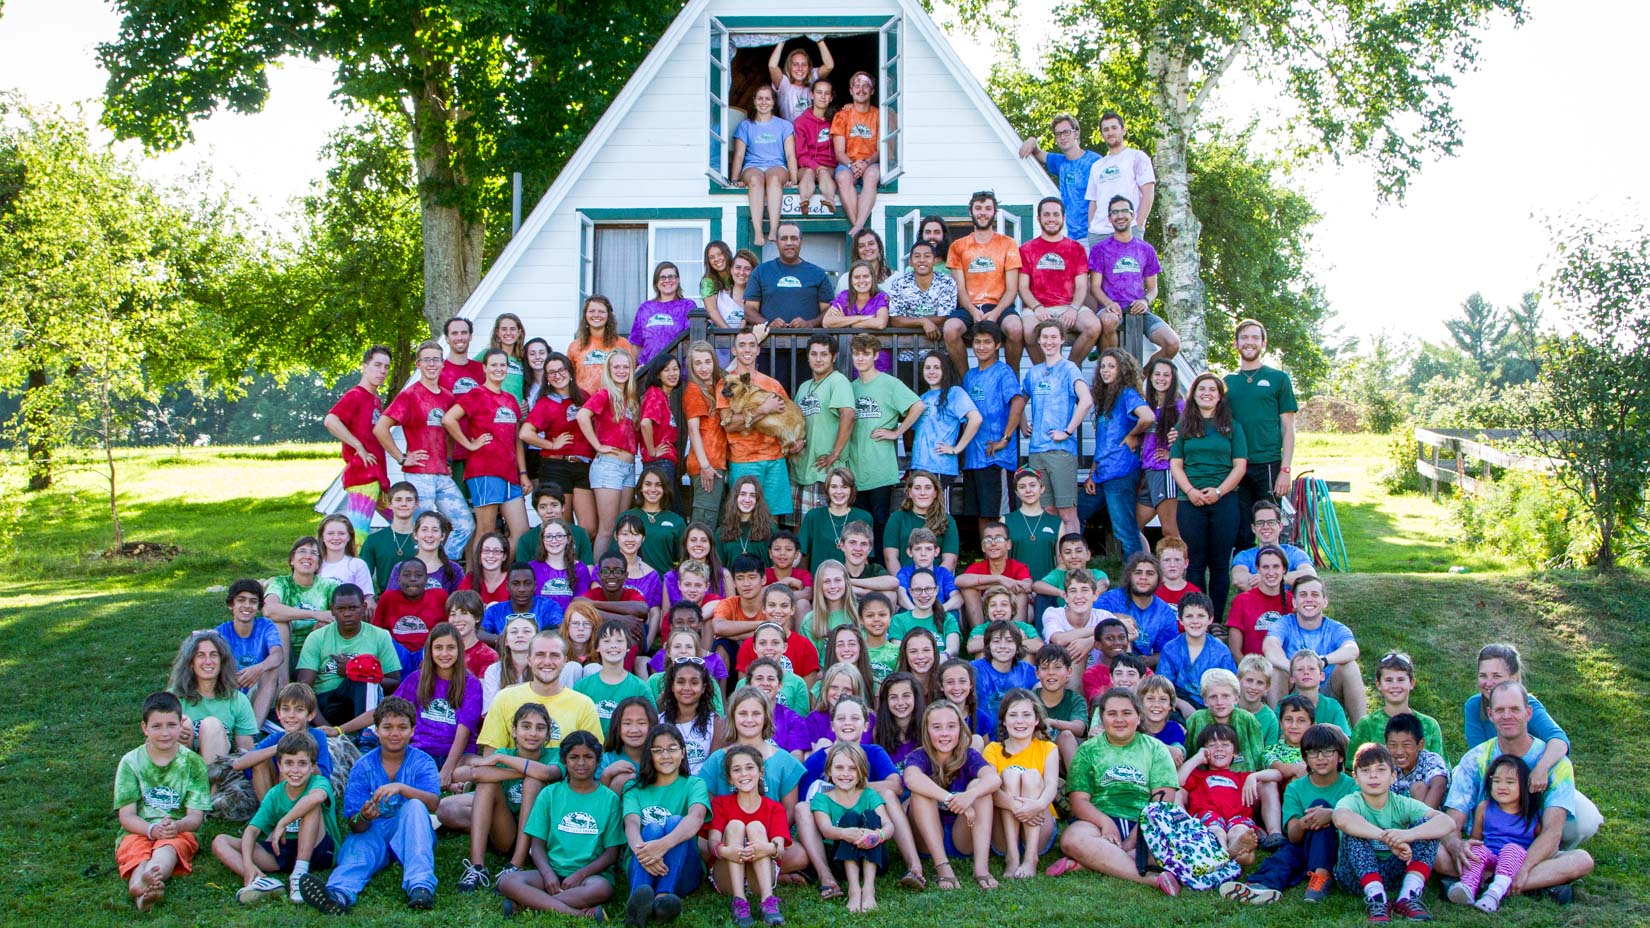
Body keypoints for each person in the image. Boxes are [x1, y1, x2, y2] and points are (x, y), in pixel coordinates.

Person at [1438, 681, 1598, 894]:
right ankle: (1527, 884)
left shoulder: (1556, 764)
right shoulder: (1474, 759)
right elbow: (1451, 823)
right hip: (1483, 851)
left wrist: (1521, 869)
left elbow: (1552, 833)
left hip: (1528, 852)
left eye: (1515, 709)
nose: (1507, 716)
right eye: (1500, 710)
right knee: (1433, 852)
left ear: (1528, 713)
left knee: (1582, 860)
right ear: (1490, 714)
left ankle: (1485, 882)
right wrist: (1457, 848)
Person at [298, 697, 440, 914]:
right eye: (387, 727)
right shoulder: (363, 767)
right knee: (359, 848)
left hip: (411, 831)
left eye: (402, 727)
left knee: (414, 806)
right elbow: (354, 824)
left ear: (412, 731)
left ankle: (420, 885)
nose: (394, 733)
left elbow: (433, 803)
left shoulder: (423, 762)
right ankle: (337, 894)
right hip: (375, 830)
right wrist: (364, 816)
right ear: (376, 730)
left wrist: (402, 788)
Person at [1050, 687, 1180, 892]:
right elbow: (1078, 801)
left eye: (1127, 713)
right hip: (1098, 819)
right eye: (1112, 714)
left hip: (1145, 820)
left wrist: (1132, 839)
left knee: (1170, 851)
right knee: (1072, 840)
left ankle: (1091, 862)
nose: (1119, 719)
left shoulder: (1156, 749)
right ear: (1102, 719)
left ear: (1139, 717)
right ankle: (1150, 880)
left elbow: (1162, 801)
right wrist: (1106, 823)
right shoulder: (1088, 750)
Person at [1217, 723, 1355, 905]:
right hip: (1304, 845)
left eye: (1328, 751)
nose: (1320, 758)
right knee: (1286, 855)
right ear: (1305, 758)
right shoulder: (1295, 788)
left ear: (1340, 757)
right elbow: (1293, 836)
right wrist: (1306, 823)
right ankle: (1261, 886)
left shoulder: (1352, 787)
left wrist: (1332, 815)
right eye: (1313, 753)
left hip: (1339, 850)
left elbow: (1356, 825)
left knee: (1320, 805)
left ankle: (1322, 875)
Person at [497, 731, 625, 919]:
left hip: (589, 876)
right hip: (552, 870)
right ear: (564, 760)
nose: (581, 763)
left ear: (598, 761)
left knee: (602, 890)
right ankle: (578, 913)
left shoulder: (610, 799)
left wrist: (580, 875)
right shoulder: (549, 794)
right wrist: (548, 874)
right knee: (507, 881)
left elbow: (611, 854)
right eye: (574, 757)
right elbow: (537, 845)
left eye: (588, 757)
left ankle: (528, 904)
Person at [213, 730, 342, 906]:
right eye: (289, 763)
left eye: (302, 764)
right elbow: (252, 830)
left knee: (310, 806)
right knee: (220, 841)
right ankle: (259, 880)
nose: (295, 770)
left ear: (313, 767)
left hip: (318, 849)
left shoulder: (318, 783)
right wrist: (248, 862)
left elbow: (317, 798)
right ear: (280, 766)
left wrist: (283, 821)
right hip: (282, 850)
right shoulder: (274, 794)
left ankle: (300, 873)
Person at [1332, 743, 1456, 922]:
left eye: (1381, 770)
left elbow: (1447, 822)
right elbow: (1341, 818)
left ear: (1393, 777)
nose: (1373, 776)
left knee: (1427, 827)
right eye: (1366, 771)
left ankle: (1408, 895)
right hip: (1354, 877)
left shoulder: (1401, 802)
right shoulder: (1351, 801)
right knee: (1354, 830)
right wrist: (1388, 838)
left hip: (1394, 874)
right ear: (1355, 778)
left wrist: (1408, 835)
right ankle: (1376, 899)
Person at [1461, 643, 1595, 808]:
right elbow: (1479, 752)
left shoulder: (1529, 705)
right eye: (1483, 675)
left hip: (1535, 780)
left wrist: (1541, 768)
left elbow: (1559, 740)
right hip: (1497, 780)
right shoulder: (1474, 706)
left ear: (1514, 678)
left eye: (1496, 676)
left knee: (1587, 821)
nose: (1489, 682)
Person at [377, 338, 475, 560]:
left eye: (436, 360)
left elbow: (450, 432)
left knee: (465, 525)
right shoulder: (410, 395)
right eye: (426, 360)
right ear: (418, 364)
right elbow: (381, 428)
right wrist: (402, 458)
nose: (432, 364)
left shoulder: (448, 397)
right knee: (422, 531)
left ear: (443, 364)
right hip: (419, 475)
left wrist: (448, 460)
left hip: (442, 475)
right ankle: (417, 571)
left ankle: (442, 566)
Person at [114, 692, 211, 912]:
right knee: (136, 851)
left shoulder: (193, 763)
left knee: (169, 847)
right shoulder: (130, 762)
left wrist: (176, 826)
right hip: (139, 828)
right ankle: (140, 884)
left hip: (178, 829)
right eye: (157, 726)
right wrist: (150, 829)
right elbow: (127, 816)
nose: (165, 733)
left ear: (181, 726)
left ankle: (146, 883)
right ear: (144, 728)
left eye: (171, 725)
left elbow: (196, 817)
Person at [903, 699, 1002, 890]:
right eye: (937, 727)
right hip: (929, 839)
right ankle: (943, 868)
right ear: (927, 731)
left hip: (962, 834)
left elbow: (994, 779)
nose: (945, 734)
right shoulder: (920, 756)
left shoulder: (969, 755)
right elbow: (911, 779)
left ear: (960, 729)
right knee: (921, 791)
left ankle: (981, 868)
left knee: (980, 787)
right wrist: (950, 799)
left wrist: (970, 795)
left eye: (951, 726)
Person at [1170, 372, 1247, 618]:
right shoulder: (1183, 426)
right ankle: (1197, 616)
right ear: (1194, 394)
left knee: (1219, 564)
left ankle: (1215, 619)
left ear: (1219, 396)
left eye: (1212, 389)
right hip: (1189, 502)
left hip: (1224, 501)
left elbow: (1240, 465)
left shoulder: (1233, 427)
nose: (1207, 393)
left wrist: (1219, 491)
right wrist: (1191, 491)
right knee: (1195, 564)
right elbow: (1175, 465)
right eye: (1202, 389)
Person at [621, 725, 711, 928]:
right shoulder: (634, 787)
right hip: (641, 864)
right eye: (657, 750)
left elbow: (696, 818)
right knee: (651, 829)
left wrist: (662, 846)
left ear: (683, 752)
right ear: (649, 755)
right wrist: (644, 854)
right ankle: (639, 900)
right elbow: (632, 824)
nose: (665, 755)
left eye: (672, 748)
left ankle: (663, 897)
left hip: (683, 871)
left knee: (676, 822)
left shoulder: (694, 784)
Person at [444, 347, 531, 549]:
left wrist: (523, 473)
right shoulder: (476, 394)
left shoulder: (510, 399)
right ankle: (475, 579)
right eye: (494, 365)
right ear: (484, 368)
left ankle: (499, 576)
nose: (499, 369)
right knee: (486, 531)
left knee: (521, 533)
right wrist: (469, 444)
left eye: (503, 365)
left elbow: (516, 438)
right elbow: (449, 419)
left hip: (510, 473)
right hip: (484, 471)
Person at [1224, 319, 1299, 551]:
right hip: (1236, 465)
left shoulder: (1279, 379)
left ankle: (1274, 576)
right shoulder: (1227, 383)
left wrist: (1285, 470)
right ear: (1236, 344)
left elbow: (1288, 428)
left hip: (1268, 464)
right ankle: (1244, 580)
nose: (1250, 342)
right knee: (1241, 531)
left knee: (1270, 527)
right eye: (1245, 337)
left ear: (1263, 343)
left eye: (1255, 337)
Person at [1261, 576, 1368, 724]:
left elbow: (1352, 650)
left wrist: (1323, 661)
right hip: (1294, 688)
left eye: (1315, 595)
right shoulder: (1284, 623)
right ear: (1294, 602)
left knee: (1350, 666)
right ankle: (1280, 732)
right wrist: (1294, 669)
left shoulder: (1335, 628)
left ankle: (1361, 733)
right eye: (1303, 595)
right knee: (1276, 670)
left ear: (1325, 601)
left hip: (1326, 689)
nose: (1309, 599)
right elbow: (1270, 647)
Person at [478, 629, 603, 755]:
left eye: (554, 655)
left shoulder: (584, 705)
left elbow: (592, 760)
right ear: (529, 659)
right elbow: (490, 757)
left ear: (565, 661)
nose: (547, 662)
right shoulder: (504, 698)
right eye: (540, 655)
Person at [1447, 755, 1546, 912]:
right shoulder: (1485, 807)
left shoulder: (1534, 816)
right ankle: (1467, 887)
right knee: (1477, 849)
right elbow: (1476, 838)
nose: (1502, 786)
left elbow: (1543, 844)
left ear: (1524, 785)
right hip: (1491, 858)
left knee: (1512, 849)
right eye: (1497, 781)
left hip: (1517, 862)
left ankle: (1493, 894)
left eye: (1510, 782)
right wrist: (1473, 851)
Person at [1080, 348, 1154, 558]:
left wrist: (1133, 435)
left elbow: (1147, 417)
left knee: (1125, 530)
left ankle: (1135, 575)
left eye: (1111, 366)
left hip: (1121, 472)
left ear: (1123, 370)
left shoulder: (1127, 394)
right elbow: (1103, 444)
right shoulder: (1106, 400)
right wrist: (1092, 473)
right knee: (1077, 515)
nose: (1105, 370)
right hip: (1102, 473)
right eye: (1103, 366)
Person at [1021, 320, 1093, 535]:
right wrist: (1024, 425)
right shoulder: (1034, 373)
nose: (1049, 342)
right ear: (1039, 340)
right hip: (1036, 452)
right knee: (1047, 510)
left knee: (1067, 512)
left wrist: (1068, 431)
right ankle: (1054, 562)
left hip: (1061, 451)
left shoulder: (1069, 369)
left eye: (1054, 337)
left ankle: (1074, 564)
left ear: (1062, 339)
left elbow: (1086, 400)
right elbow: (1019, 401)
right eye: (1045, 337)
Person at [295, 584, 403, 727]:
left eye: (353, 608)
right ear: (332, 610)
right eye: (340, 609)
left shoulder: (380, 635)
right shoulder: (316, 637)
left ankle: (366, 736)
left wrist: (353, 670)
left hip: (366, 706)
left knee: (363, 679)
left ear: (364, 607)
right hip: (326, 705)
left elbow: (394, 683)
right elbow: (304, 689)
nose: (347, 614)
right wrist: (325, 729)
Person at [718, 328, 799, 518]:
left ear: (758, 350)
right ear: (734, 351)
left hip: (775, 459)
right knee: (743, 516)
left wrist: (798, 438)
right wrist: (763, 409)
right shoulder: (727, 384)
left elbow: (788, 417)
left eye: (752, 345)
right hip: (743, 460)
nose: (747, 349)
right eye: (742, 345)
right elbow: (728, 425)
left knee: (772, 518)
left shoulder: (772, 384)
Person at [392, 623, 483, 789]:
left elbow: (464, 731)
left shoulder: (471, 684)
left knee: (479, 766)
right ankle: (447, 784)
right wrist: (341, 729)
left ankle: (438, 780)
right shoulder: (417, 678)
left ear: (459, 650)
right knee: (399, 764)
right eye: (438, 648)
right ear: (430, 650)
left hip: (459, 755)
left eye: (450, 648)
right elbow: (389, 709)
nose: (444, 654)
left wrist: (448, 769)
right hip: (422, 750)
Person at [706, 746, 790, 926]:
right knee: (735, 825)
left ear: (760, 772)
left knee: (755, 826)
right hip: (727, 875)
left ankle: (768, 901)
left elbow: (779, 847)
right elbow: (712, 842)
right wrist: (727, 851)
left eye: (749, 767)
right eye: (737, 769)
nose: (744, 774)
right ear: (730, 777)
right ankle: (739, 901)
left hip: (759, 879)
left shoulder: (774, 808)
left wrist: (763, 849)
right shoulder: (721, 804)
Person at [744, 223, 832, 390]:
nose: (789, 242)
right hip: (770, 352)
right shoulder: (761, 272)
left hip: (808, 353)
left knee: (807, 403)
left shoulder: (818, 273)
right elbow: (749, 310)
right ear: (777, 242)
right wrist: (768, 323)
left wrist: (810, 323)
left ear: (801, 241)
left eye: (794, 238)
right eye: (784, 238)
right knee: (771, 401)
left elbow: (829, 311)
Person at [847, 335, 924, 528]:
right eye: (856, 354)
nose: (860, 359)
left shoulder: (890, 384)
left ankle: (881, 560)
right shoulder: (850, 387)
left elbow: (918, 406)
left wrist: (897, 432)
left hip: (880, 467)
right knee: (859, 523)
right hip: (855, 468)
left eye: (865, 354)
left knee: (880, 520)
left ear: (875, 356)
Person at [1088, 195, 1179, 359]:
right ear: (1109, 218)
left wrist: (1145, 301)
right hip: (1110, 309)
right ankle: (1112, 371)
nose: (1120, 216)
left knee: (1172, 344)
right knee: (1108, 321)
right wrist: (1109, 303)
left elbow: (1153, 289)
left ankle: (1140, 377)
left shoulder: (1146, 249)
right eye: (1115, 212)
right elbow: (1095, 286)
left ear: (1132, 215)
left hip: (1138, 310)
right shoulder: (1099, 250)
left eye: (1124, 211)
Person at [943, 191, 1024, 372]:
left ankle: (1011, 377)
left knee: (1016, 329)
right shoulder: (958, 246)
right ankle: (967, 380)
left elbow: (1012, 289)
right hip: (967, 307)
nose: (983, 213)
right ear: (970, 211)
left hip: (999, 306)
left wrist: (996, 313)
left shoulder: (1008, 244)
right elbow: (960, 288)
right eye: (978, 208)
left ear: (994, 212)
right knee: (950, 329)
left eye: (988, 208)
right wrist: (972, 311)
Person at [1179, 723, 1281, 867]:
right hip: (1208, 814)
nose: (1219, 748)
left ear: (1235, 752)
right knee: (1216, 832)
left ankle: (1235, 850)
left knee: (1239, 831)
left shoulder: (1242, 777)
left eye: (1225, 744)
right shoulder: (1198, 776)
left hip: (1238, 816)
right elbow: (1178, 781)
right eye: (1212, 745)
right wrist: (1197, 758)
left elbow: (1277, 775)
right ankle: (1229, 854)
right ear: (1205, 751)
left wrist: (1254, 777)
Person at [522, 351, 598, 535]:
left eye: (561, 370)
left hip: (583, 466)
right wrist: (551, 445)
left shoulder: (583, 396)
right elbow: (525, 433)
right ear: (547, 377)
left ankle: (579, 561)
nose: (558, 375)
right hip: (556, 466)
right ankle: (567, 563)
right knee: (564, 526)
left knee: (589, 527)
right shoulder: (545, 402)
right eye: (552, 372)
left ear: (570, 371)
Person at [1019, 197, 1102, 364]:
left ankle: (1069, 368)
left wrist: (1074, 308)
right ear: (1039, 219)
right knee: (1028, 331)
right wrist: (1037, 307)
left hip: (1068, 306)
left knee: (1093, 326)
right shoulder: (1026, 249)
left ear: (1063, 218)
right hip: (1037, 307)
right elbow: (1022, 287)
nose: (1051, 219)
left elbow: (1081, 286)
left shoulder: (1076, 248)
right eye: (1047, 214)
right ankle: (1044, 372)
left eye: (1056, 215)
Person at [959, 322, 1025, 534]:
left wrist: (1005, 438)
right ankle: (987, 564)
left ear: (997, 345)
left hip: (997, 457)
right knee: (982, 514)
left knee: (1000, 516)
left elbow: (1018, 402)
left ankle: (1005, 564)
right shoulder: (970, 376)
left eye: (987, 342)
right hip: (973, 458)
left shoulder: (1003, 372)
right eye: (977, 342)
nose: (981, 347)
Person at [576, 348, 642, 557]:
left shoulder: (630, 398)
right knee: (607, 529)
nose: (621, 371)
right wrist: (597, 445)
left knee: (621, 528)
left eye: (625, 367)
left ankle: (616, 571)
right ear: (609, 370)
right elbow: (582, 416)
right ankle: (597, 576)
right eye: (617, 367)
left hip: (628, 468)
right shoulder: (605, 393)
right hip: (608, 466)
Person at [323, 345, 392, 535]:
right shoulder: (356, 395)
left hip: (378, 477)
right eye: (377, 365)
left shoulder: (375, 400)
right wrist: (358, 445)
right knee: (358, 534)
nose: (382, 371)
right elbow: (330, 420)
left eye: (386, 367)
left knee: (404, 525)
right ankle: (354, 565)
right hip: (363, 476)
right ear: (365, 366)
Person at [166, 630, 258, 767]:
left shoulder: (238, 700)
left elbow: (246, 751)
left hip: (222, 773)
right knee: (182, 724)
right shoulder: (173, 698)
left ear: (222, 661)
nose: (208, 661)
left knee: (211, 726)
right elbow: (153, 741)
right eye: (200, 655)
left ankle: (212, 788)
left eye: (214, 655)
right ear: (191, 663)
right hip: (183, 769)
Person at [792, 334, 856, 512]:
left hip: (825, 472)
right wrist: (800, 441)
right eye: (814, 354)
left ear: (834, 357)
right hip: (801, 469)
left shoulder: (838, 381)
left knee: (821, 526)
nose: (818, 359)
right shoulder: (805, 386)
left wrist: (834, 454)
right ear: (808, 357)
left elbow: (849, 415)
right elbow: (798, 421)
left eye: (824, 354)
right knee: (800, 530)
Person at [1019, 113, 1103, 243]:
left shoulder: (1095, 162)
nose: (1062, 137)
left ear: (1076, 133)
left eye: (1066, 132)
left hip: (1096, 235)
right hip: (1073, 238)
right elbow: (1038, 153)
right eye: (1058, 134)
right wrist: (1032, 140)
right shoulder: (1060, 162)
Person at [731, 86, 797, 249]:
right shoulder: (745, 126)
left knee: (773, 179)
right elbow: (739, 155)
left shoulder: (784, 125)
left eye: (768, 98)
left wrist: (794, 179)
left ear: (773, 102)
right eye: (760, 98)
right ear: (754, 101)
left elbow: (790, 155)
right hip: (752, 166)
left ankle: (774, 230)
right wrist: (734, 179)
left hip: (777, 166)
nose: (764, 102)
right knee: (755, 180)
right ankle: (758, 230)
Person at [1349, 651, 1447, 761]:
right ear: (1378, 684)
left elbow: (1441, 770)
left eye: (1401, 680)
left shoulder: (1430, 725)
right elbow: (1351, 768)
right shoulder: (1366, 725)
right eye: (1388, 680)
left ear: (1412, 683)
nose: (1395, 685)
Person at [1155, 592, 1237, 713]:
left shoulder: (1220, 651)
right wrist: (1183, 705)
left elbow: (1231, 687)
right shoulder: (1171, 649)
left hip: (1213, 707)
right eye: (1189, 616)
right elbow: (1162, 687)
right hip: (1178, 706)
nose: (1195, 621)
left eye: (1201, 616)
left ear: (1210, 619)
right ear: (1181, 620)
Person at [910, 350, 982, 485]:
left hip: (940, 467)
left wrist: (956, 449)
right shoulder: (922, 398)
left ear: (945, 370)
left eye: (937, 368)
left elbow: (976, 419)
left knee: (942, 507)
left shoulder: (954, 393)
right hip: (919, 466)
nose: (931, 372)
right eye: (928, 368)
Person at [216, 579, 283, 722]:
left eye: (253, 601)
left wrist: (258, 668)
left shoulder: (265, 626)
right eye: (241, 600)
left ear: (259, 606)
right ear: (231, 605)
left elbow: (278, 655)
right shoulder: (221, 632)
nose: (247, 606)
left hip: (259, 692)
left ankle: (253, 730)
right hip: (231, 690)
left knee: (272, 669)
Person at [1096, 552, 1180, 665]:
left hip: (1141, 669)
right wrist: (1116, 618)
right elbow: (1090, 625)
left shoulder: (1164, 612)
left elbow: (1168, 652)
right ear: (1129, 576)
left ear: (1159, 579)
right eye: (1138, 573)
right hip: (1103, 663)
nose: (1143, 578)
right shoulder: (1109, 600)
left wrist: (1148, 660)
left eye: (1150, 573)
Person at [1084, 111, 1155, 240]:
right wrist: (1091, 227)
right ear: (1102, 134)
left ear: (1123, 130)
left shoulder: (1137, 157)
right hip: (1099, 234)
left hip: (1129, 229)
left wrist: (1138, 224)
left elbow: (1148, 192)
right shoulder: (1097, 166)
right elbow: (1093, 201)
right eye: (1105, 129)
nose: (1110, 133)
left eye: (1114, 128)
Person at [886, 240, 959, 365]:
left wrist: (910, 321)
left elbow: (944, 317)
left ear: (935, 260)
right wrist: (923, 322)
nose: (922, 260)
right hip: (906, 354)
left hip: (939, 353)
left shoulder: (946, 283)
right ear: (910, 261)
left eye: (927, 256)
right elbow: (895, 320)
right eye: (917, 256)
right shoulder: (899, 284)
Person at [831, 71, 886, 237]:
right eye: (857, 86)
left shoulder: (879, 115)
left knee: (871, 177)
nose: (861, 89)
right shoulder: (842, 115)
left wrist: (865, 163)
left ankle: (858, 225)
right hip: (848, 163)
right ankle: (859, 228)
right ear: (850, 90)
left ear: (872, 91)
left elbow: (880, 148)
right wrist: (852, 164)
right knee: (842, 178)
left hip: (871, 162)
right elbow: (839, 151)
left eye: (866, 86)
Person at [683, 341, 730, 526]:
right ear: (692, 366)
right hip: (706, 464)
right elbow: (693, 430)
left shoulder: (717, 385)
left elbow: (735, 366)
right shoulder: (694, 390)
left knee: (717, 522)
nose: (704, 368)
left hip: (718, 463)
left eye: (707, 362)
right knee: (704, 524)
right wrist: (705, 465)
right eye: (698, 363)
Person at [1136, 357, 1182, 540]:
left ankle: (1184, 568)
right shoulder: (1146, 406)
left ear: (1173, 379)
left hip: (1166, 472)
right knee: (1133, 528)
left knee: (1169, 530)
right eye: (1157, 374)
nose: (1161, 379)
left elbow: (1192, 438)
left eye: (1166, 375)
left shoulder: (1180, 406)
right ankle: (1145, 566)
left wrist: (1173, 455)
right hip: (1147, 471)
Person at [441, 317, 488, 488]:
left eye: (464, 333)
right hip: (451, 453)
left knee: (482, 507)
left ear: (471, 336)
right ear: (447, 338)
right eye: (454, 333)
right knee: (456, 509)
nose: (459, 337)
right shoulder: (439, 370)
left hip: (480, 450)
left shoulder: (481, 369)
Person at [1230, 499, 1316, 593]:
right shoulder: (1244, 556)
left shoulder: (1294, 553)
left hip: (1288, 606)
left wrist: (1273, 578)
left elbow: (1310, 575)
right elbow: (1238, 579)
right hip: (1258, 606)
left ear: (1280, 526)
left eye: (1271, 522)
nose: (1266, 527)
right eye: (1260, 523)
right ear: (1253, 528)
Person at [958, 524, 1033, 629]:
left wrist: (984, 585)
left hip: (1010, 611)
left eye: (999, 539)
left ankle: (1016, 635)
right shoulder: (978, 567)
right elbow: (959, 580)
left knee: (1022, 593)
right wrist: (999, 579)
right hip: (986, 612)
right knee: (968, 589)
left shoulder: (1017, 567)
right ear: (983, 547)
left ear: (1008, 544)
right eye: (988, 540)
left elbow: (1027, 586)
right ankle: (979, 634)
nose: (993, 543)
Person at [1225, 545, 1293, 659]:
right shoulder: (1242, 601)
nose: (1271, 572)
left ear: (1284, 569)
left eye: (1276, 566)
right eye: (1265, 567)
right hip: (1251, 669)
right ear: (1258, 569)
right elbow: (1235, 650)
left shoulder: (1292, 601)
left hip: (1284, 669)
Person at [371, 557, 448, 655]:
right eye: (406, 575)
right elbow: (377, 631)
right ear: (398, 579)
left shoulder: (438, 596)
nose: (412, 579)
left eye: (419, 575)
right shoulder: (388, 598)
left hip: (429, 652)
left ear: (426, 580)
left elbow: (448, 629)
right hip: (397, 654)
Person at [619, 466, 687, 576]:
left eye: (658, 485)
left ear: (665, 489)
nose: (653, 489)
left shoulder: (677, 521)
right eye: (648, 484)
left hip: (664, 584)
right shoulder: (626, 517)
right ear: (640, 487)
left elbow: (683, 560)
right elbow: (614, 556)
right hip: (633, 583)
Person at [358, 482, 418, 598]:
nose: (404, 504)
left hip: (420, 599)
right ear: (390, 504)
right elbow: (363, 576)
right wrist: (368, 599)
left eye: (409, 500)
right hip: (387, 599)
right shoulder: (374, 540)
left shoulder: (426, 538)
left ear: (416, 504)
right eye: (398, 500)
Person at [629, 262, 696, 366]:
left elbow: (690, 340)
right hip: (648, 370)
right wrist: (634, 373)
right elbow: (636, 344)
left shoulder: (687, 306)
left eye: (671, 276)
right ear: (656, 283)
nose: (667, 280)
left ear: (678, 280)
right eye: (662, 277)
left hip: (676, 371)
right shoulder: (645, 308)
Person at [792, 79, 839, 213]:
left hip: (829, 167)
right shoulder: (801, 122)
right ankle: (804, 200)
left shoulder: (837, 118)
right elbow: (801, 155)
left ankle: (830, 200)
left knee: (823, 172)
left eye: (827, 93)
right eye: (819, 92)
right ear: (812, 95)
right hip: (807, 166)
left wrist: (821, 168)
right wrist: (816, 167)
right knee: (809, 172)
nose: (823, 97)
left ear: (831, 98)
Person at [1384, 713, 1448, 810]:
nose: (1399, 751)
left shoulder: (1430, 760)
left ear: (1420, 745)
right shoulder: (1386, 764)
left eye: (1406, 745)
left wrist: (1423, 822)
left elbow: (1439, 785)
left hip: (1432, 816)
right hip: (1399, 817)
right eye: (1393, 745)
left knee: (1419, 788)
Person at [390, 511, 465, 593]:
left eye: (435, 530)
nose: (429, 535)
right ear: (415, 534)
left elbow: (462, 602)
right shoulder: (400, 568)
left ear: (442, 536)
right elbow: (390, 601)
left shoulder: (455, 570)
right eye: (424, 529)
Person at [637, 358, 683, 490]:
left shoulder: (663, 396)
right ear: (658, 374)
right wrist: (652, 452)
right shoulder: (655, 394)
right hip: (658, 464)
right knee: (665, 508)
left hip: (663, 463)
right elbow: (645, 423)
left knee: (673, 509)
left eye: (675, 369)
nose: (672, 373)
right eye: (666, 370)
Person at [823, 260, 891, 346]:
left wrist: (845, 323)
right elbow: (826, 322)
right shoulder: (844, 296)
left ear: (872, 278)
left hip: (877, 352)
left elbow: (880, 323)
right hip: (849, 351)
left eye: (866, 276)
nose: (861, 280)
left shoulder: (881, 297)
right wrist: (862, 318)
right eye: (857, 277)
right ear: (851, 280)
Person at [316, 513, 377, 607]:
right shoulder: (315, 564)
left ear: (349, 537)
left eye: (341, 533)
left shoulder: (357, 564)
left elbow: (367, 599)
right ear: (322, 537)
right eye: (330, 533)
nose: (336, 538)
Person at [769, 38, 833, 121]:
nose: (800, 68)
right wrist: (782, 39)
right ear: (789, 67)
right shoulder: (784, 83)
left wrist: (819, 39)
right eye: (795, 64)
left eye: (804, 64)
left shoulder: (812, 79)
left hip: (809, 131)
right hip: (789, 133)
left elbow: (829, 65)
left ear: (808, 67)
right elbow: (772, 66)